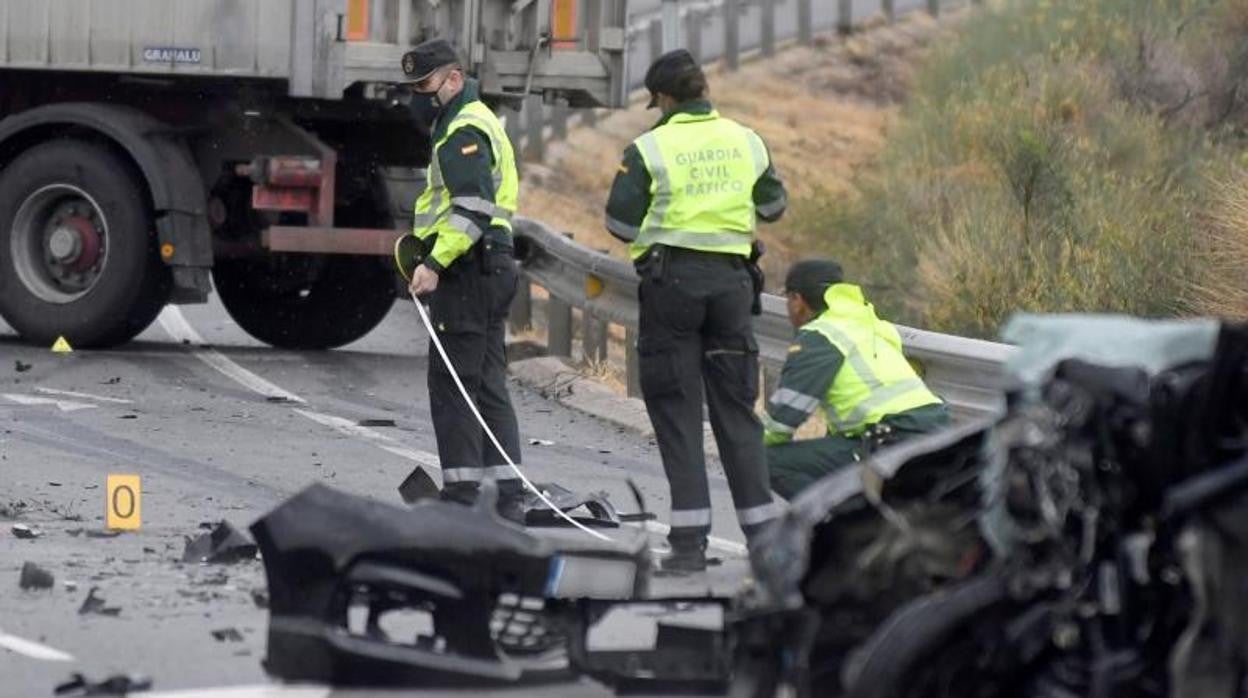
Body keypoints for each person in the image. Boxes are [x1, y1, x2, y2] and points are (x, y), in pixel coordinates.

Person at [604, 49, 789, 571]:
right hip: (733, 288)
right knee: (737, 413)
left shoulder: (649, 148)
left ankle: (688, 547)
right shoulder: (746, 140)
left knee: (678, 411)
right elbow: (774, 207)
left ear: (662, 98)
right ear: (704, 91)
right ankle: (765, 545)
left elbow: (619, 224)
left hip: (672, 288)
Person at [398, 39, 524, 519]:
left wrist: (434, 264)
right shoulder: (477, 120)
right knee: (488, 382)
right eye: (412, 87)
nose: (419, 95)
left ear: (453, 79)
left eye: (426, 84)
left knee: (453, 385)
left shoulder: (463, 130)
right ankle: (506, 498)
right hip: (492, 265)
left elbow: (472, 207)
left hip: (468, 269)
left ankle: (463, 497)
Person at [764, 260, 952, 499]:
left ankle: (830, 527)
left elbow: (785, 417)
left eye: (788, 300)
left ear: (798, 301)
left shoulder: (821, 334)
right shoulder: (871, 325)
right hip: (932, 432)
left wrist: (749, 445)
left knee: (764, 462)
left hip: (893, 439)